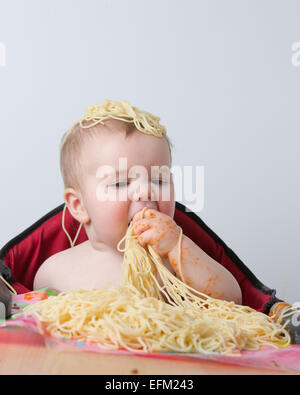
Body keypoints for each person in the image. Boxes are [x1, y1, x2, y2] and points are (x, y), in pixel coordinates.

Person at [34, 100, 242, 304]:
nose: (144, 191)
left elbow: (233, 299)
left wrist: (177, 246)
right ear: (79, 206)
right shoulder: (55, 272)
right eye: (121, 183)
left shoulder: (175, 265)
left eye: (158, 179)